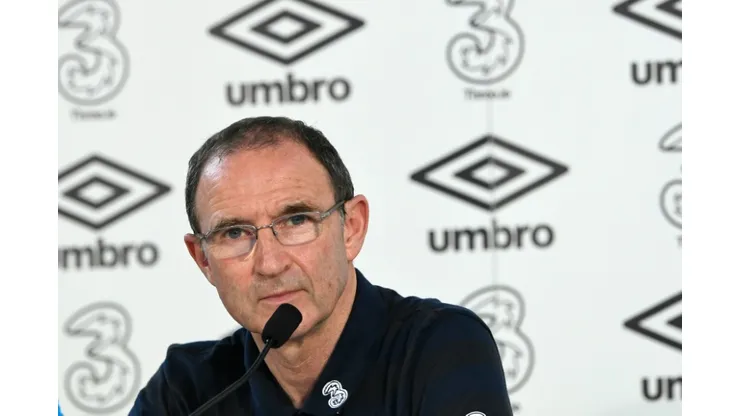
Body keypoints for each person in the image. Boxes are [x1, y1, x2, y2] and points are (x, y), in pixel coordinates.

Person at [128, 116, 513, 416]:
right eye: (234, 233)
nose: (270, 264)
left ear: (352, 228)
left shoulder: (440, 348)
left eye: (296, 221)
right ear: (203, 260)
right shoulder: (187, 390)